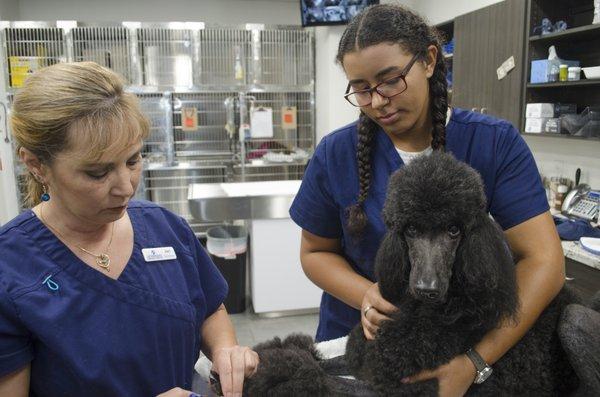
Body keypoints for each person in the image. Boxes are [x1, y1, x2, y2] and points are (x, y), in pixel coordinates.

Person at [289, 4, 564, 396]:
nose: (378, 101)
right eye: (362, 88)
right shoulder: (335, 154)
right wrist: (365, 293)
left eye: (390, 80)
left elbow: (545, 263)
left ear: (430, 60)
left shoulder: (495, 143)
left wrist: (476, 360)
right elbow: (314, 252)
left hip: (458, 346)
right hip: (360, 342)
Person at [0, 62, 258, 397]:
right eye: (97, 173)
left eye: (133, 161)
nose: (126, 187)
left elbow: (210, 309)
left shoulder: (165, 229)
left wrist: (225, 351)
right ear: (36, 164)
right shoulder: (10, 268)